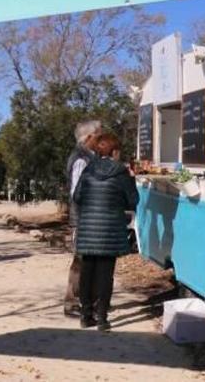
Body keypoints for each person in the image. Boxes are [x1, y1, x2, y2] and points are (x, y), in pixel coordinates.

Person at [73, 132, 139, 331]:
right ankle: (101, 318)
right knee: (105, 274)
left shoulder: (88, 170)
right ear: (115, 151)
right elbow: (133, 200)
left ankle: (85, 316)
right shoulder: (120, 173)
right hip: (110, 230)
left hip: (88, 229)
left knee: (87, 272)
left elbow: (77, 196)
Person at [63, 119, 102, 317]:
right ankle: (72, 303)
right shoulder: (81, 159)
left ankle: (87, 301)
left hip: (89, 218)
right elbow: (77, 193)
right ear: (88, 137)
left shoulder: (91, 157)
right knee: (81, 261)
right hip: (84, 219)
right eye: (98, 135)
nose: (101, 139)